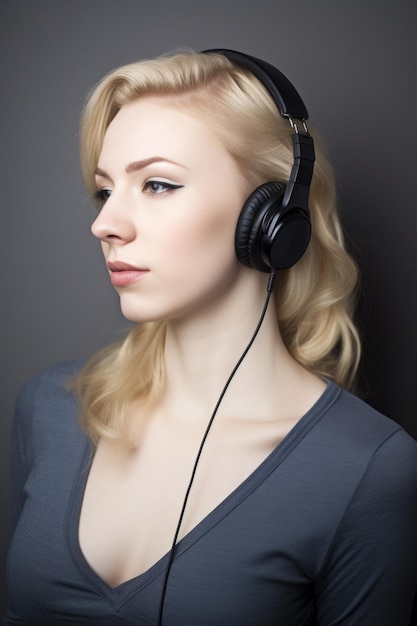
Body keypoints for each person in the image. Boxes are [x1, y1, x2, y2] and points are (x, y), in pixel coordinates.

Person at [5, 48, 417, 626]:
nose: (104, 224)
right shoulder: (51, 407)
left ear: (271, 218)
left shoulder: (369, 469)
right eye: (105, 191)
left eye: (157, 185)